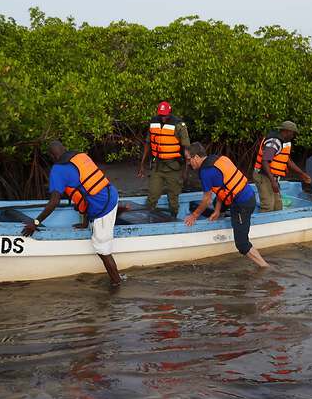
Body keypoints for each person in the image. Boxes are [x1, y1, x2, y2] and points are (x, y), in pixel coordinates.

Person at [22, 141, 122, 287]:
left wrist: (35, 223)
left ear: (51, 156)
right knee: (85, 195)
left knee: (102, 249)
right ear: (64, 149)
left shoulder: (58, 170)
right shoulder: (80, 155)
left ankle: (116, 283)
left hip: (103, 208)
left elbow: (54, 202)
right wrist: (85, 223)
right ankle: (119, 212)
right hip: (111, 194)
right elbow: (85, 190)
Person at [183, 142, 269, 267]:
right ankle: (221, 214)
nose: (188, 163)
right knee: (215, 203)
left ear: (196, 157)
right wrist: (217, 210)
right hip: (246, 196)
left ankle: (265, 267)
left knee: (242, 244)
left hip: (242, 205)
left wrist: (194, 216)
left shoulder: (206, 172)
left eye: (188, 159)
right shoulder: (218, 159)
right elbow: (222, 188)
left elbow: (206, 199)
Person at [137, 101, 191, 217]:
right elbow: (148, 143)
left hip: (174, 167)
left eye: (165, 115)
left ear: (170, 113)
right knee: (152, 196)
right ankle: (147, 221)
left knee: (173, 201)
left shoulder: (179, 125)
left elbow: (187, 151)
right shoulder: (153, 122)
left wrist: (186, 172)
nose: (163, 118)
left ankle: (174, 221)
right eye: (161, 115)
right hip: (157, 167)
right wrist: (142, 164)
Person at [253, 120, 312, 212]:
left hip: (271, 177)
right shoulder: (274, 141)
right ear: (287, 131)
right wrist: (273, 181)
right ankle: (263, 224)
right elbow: (265, 161)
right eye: (293, 133)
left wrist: (302, 174)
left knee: (277, 206)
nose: (293, 136)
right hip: (263, 176)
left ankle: (276, 223)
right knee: (268, 206)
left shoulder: (283, 142)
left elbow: (288, 161)